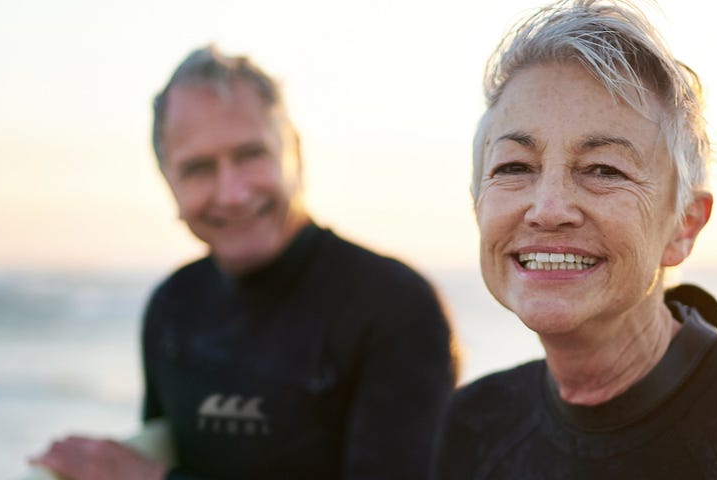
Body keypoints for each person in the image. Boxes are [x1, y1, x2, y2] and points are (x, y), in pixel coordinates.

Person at [430, 1, 717, 478]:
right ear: (477, 206)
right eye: (514, 167)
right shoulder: (473, 422)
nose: (548, 209)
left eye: (603, 170)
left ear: (685, 226)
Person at [31, 46, 459, 480]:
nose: (232, 193)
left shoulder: (394, 307)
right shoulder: (173, 309)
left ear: (295, 153)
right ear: (168, 183)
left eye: (250, 155)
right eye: (198, 168)